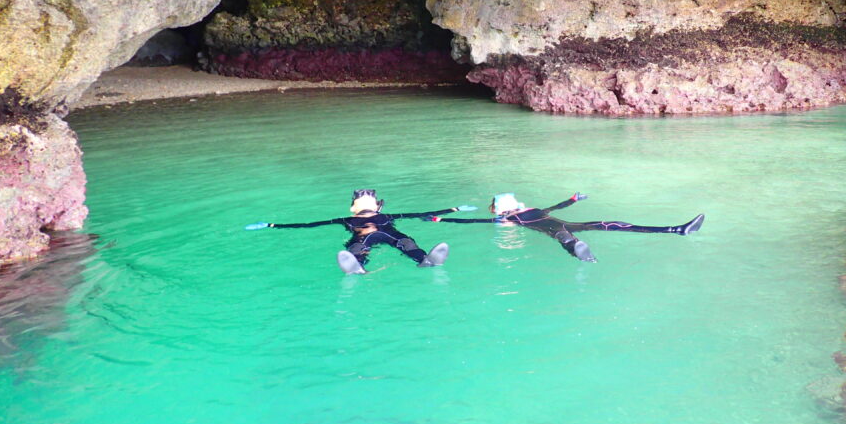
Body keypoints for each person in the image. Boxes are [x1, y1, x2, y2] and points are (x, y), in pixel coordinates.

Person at [245, 189, 477, 274]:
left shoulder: (387, 216)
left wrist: (454, 209)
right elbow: (309, 225)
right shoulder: (345, 219)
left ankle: (423, 260)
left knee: (406, 242)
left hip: (390, 234)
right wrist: (272, 225)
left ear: (377, 206)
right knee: (357, 248)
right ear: (352, 208)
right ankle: (358, 267)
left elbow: (420, 213)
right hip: (363, 237)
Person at [425, 192, 703, 262]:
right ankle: (583, 254)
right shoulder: (509, 219)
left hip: (564, 223)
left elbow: (557, 208)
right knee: (562, 235)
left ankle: (675, 229)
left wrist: (572, 198)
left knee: (607, 223)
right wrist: (442, 219)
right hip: (556, 228)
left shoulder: (523, 212)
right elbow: (474, 221)